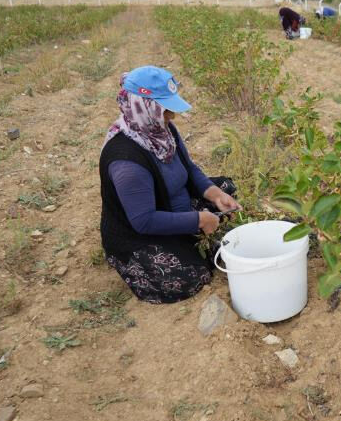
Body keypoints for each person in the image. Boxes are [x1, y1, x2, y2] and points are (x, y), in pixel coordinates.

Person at [99, 66, 239, 304]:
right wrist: (199, 220)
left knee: (226, 189)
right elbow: (144, 221)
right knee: (189, 277)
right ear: (143, 107)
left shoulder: (162, 130)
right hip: (141, 232)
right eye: (165, 110)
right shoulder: (126, 161)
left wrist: (215, 195)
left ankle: (199, 224)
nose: (171, 116)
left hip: (173, 204)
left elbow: (189, 168)